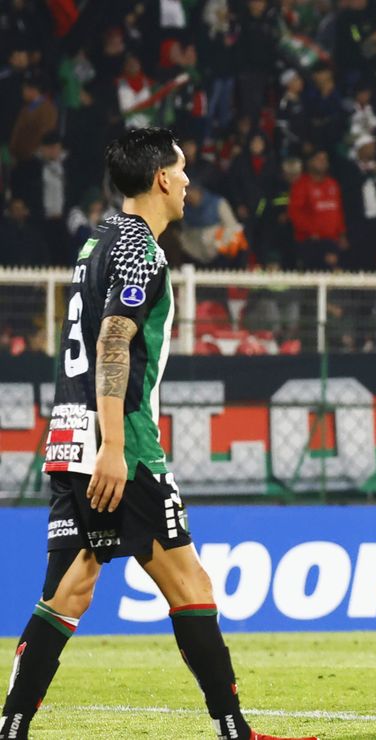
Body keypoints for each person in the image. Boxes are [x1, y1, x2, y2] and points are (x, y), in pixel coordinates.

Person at [0, 128, 315, 740]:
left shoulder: (96, 241)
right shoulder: (141, 250)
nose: (190, 180)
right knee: (190, 584)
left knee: (72, 587)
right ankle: (234, 730)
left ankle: (10, 728)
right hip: (120, 444)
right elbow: (114, 340)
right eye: (184, 168)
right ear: (162, 179)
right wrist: (115, 447)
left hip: (68, 433)